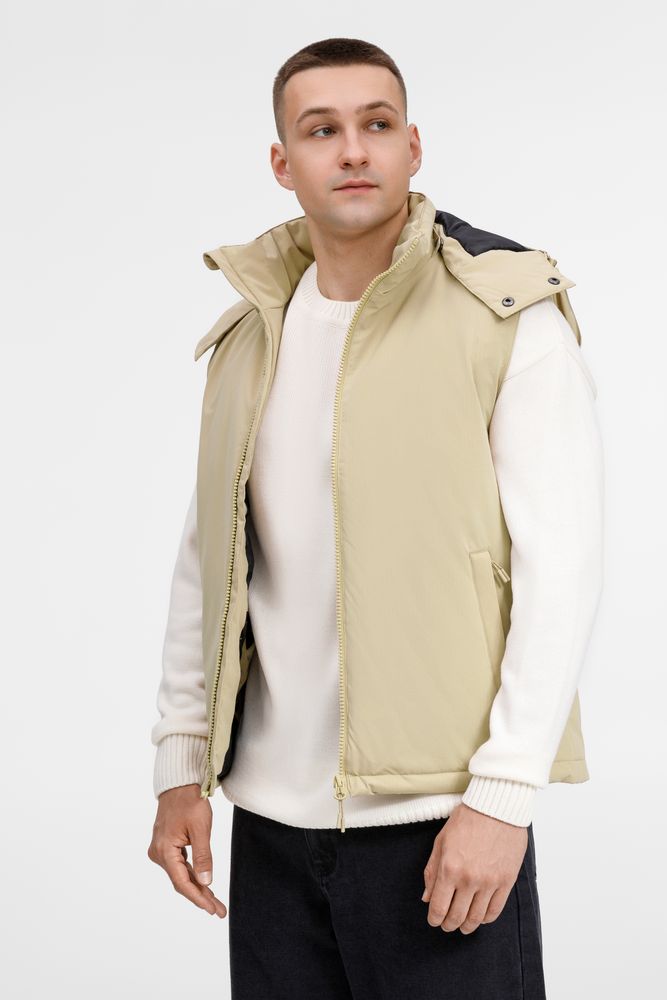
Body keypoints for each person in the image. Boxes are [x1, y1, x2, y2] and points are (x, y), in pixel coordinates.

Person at [147, 37, 604, 999]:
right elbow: (209, 562)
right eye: (322, 130)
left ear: (412, 146)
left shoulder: (504, 313)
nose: (352, 149)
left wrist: (502, 797)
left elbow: (559, 568)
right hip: (270, 827)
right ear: (283, 162)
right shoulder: (250, 334)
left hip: (440, 823)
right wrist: (180, 766)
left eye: (376, 124)